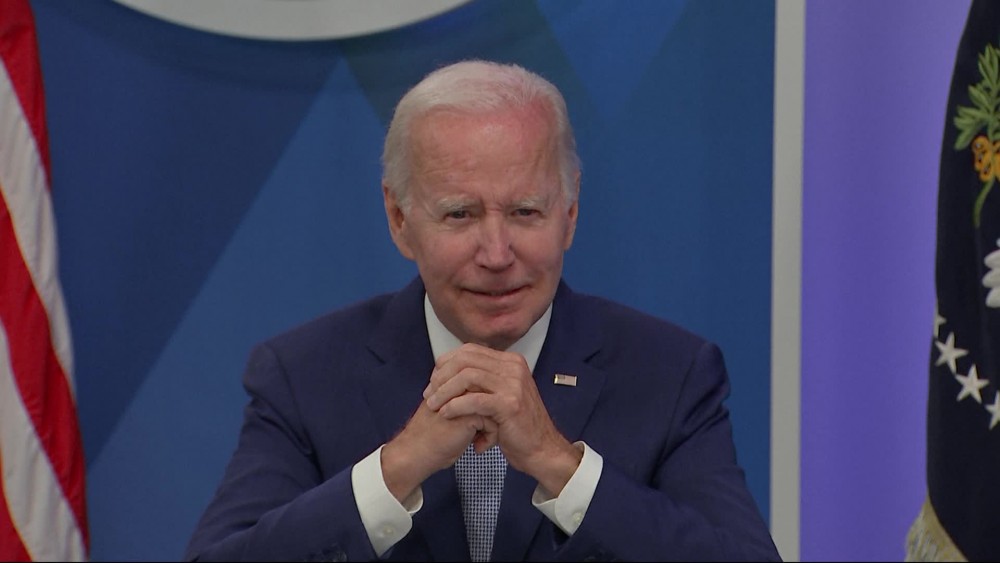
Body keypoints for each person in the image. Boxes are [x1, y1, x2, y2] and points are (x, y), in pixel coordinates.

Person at [184, 60, 780, 562]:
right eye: (460, 215)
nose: (496, 255)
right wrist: (397, 468)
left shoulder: (669, 374)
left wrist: (559, 465)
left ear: (570, 214)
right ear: (399, 218)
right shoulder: (303, 374)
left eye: (525, 212)